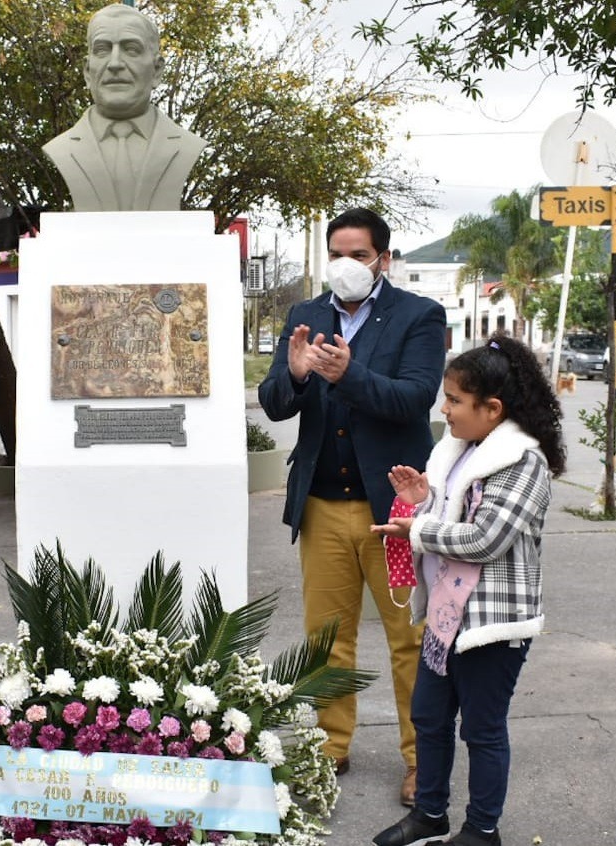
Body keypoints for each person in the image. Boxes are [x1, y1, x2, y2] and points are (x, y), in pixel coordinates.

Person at [258, 207, 446, 806]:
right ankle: (329, 748)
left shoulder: (419, 315)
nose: (347, 266)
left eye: (359, 255)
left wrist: (347, 374)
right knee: (327, 636)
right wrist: (294, 376)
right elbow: (273, 402)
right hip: (322, 505)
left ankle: (422, 761)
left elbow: (415, 397)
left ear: (384, 260)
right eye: (337, 254)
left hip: (396, 514)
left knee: (410, 639)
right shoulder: (305, 315)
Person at [370, 336, 564, 846]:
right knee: (429, 718)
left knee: (481, 730)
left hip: (490, 625)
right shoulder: (460, 451)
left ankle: (481, 830)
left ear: (492, 407)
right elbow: (454, 513)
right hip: (446, 613)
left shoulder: (523, 462)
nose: (445, 408)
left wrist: (415, 529)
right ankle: (429, 816)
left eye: (455, 399)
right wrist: (423, 498)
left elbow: (485, 537)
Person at [42, 3, 206, 212]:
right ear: (87, 72)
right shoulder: (62, 148)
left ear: (156, 71)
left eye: (131, 49)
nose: (115, 63)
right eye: (102, 50)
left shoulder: (186, 145)